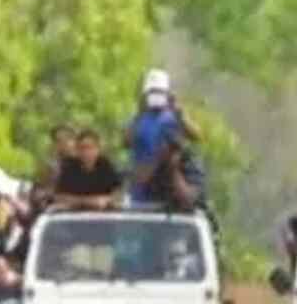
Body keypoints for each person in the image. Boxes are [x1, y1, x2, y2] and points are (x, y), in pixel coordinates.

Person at [126, 69, 202, 203]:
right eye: (152, 93)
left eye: (160, 93)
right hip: (142, 189)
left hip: (172, 184)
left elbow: (197, 136)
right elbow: (125, 142)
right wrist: (139, 112)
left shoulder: (175, 116)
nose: (156, 97)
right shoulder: (138, 119)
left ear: (167, 94)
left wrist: (179, 112)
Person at [136, 127, 208, 212]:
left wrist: (174, 169)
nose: (170, 151)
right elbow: (138, 183)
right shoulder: (155, 162)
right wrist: (158, 159)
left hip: (187, 218)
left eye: (174, 148)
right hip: (155, 217)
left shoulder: (192, 164)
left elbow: (187, 201)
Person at [53, 129, 124, 210]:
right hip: (74, 216)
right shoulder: (69, 167)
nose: (86, 152)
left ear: (98, 149)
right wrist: (91, 202)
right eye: (82, 148)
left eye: (90, 147)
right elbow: (60, 197)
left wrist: (107, 200)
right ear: (77, 150)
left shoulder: (106, 166)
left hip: (104, 216)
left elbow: (118, 194)